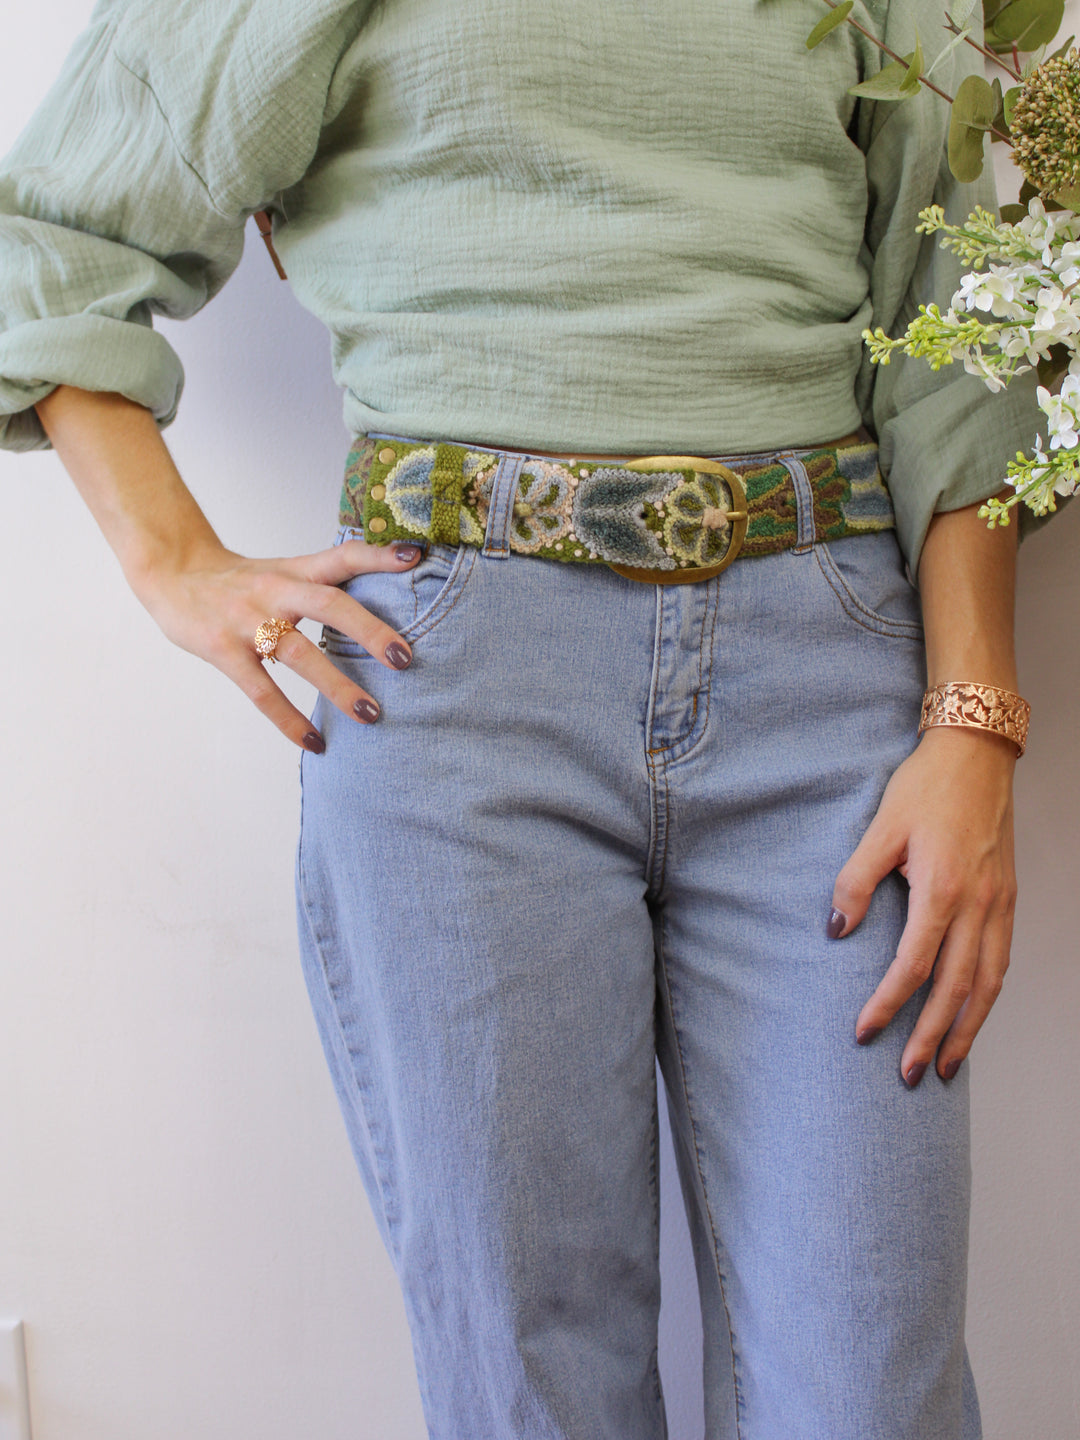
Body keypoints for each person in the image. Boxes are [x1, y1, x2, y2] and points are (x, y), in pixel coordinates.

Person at [0, 0, 1039, 1435]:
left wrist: (975, 723)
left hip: (833, 687)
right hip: (460, 692)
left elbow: (961, 326)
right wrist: (177, 563)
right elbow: (51, 233)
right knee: (528, 1386)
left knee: (873, 1388)